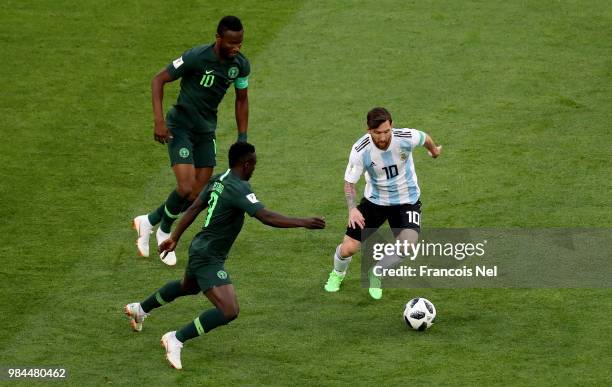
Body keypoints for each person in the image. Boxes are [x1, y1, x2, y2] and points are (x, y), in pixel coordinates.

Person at [125, 142, 325, 370]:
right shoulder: (239, 187)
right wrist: (303, 222)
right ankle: (176, 338)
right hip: (208, 255)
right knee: (229, 310)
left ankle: (140, 309)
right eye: (254, 164)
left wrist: (176, 237)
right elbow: (265, 216)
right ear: (246, 163)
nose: (254, 169)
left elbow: (193, 208)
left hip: (201, 247)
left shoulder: (220, 179)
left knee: (187, 287)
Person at [132, 15, 251, 266]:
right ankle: (165, 229)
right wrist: (159, 121)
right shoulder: (197, 56)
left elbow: (242, 99)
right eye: (231, 43)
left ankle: (148, 221)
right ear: (218, 38)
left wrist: (242, 137)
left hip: (206, 132)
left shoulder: (240, 65)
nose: (236, 48)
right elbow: (158, 79)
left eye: (239, 43)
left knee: (197, 194)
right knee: (185, 187)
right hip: (180, 127)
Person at [323, 107, 441, 299]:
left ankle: (377, 272)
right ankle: (337, 274)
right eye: (378, 133)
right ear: (368, 130)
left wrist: (434, 151)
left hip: (406, 200)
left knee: (409, 243)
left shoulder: (405, 137)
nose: (383, 137)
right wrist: (352, 209)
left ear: (391, 126)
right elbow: (349, 183)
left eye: (386, 131)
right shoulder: (360, 150)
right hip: (374, 202)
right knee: (348, 248)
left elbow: (424, 138)